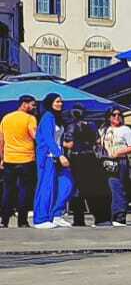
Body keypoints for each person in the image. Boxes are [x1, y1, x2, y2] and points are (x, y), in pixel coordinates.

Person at [32, 94, 72, 229]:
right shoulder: (47, 117)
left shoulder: (56, 118)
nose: (60, 103)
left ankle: (56, 214)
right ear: (50, 103)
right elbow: (48, 139)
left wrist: (64, 146)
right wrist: (60, 155)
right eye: (57, 101)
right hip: (48, 157)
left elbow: (57, 138)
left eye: (61, 101)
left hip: (57, 155)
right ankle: (40, 219)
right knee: (46, 187)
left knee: (66, 184)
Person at [67, 107, 112, 228]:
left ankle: (78, 218)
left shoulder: (71, 126)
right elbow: (97, 141)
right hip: (91, 158)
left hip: (77, 158)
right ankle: (99, 217)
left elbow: (70, 144)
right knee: (93, 188)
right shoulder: (92, 125)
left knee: (77, 190)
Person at [1, 95, 38, 228]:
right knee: (24, 190)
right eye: (32, 105)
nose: (34, 108)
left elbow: (1, 141)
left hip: (9, 159)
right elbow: (35, 136)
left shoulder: (6, 118)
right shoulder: (30, 118)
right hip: (26, 159)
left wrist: (1, 158)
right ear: (24, 104)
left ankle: (4, 220)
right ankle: (22, 221)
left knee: (7, 190)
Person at [101, 110, 131, 227]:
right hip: (106, 161)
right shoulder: (103, 129)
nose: (117, 117)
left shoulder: (125, 130)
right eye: (114, 115)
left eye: (119, 115)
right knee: (107, 189)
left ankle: (119, 216)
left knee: (118, 188)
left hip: (119, 161)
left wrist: (119, 152)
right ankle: (107, 215)